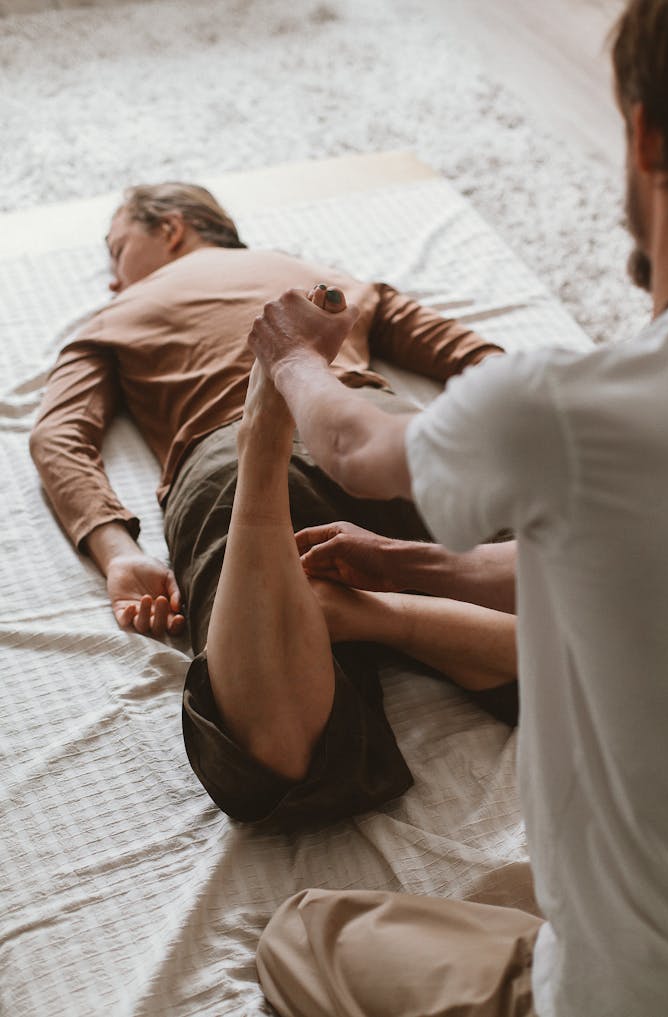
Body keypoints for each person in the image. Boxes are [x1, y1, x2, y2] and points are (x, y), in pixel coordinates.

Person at [250, 1, 668, 1014]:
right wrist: (423, 565)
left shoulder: (573, 409)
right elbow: (643, 557)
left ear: (644, 136)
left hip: (627, 996)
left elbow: (357, 446)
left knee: (304, 933)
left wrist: (288, 358)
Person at [30, 182, 518, 827]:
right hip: (378, 426)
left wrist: (118, 551)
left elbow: (59, 435)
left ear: (170, 227)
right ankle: (395, 606)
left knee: (279, 757)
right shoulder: (327, 279)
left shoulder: (116, 316)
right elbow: (479, 357)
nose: (114, 282)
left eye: (118, 251)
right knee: (604, 632)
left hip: (226, 456)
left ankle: (272, 444)